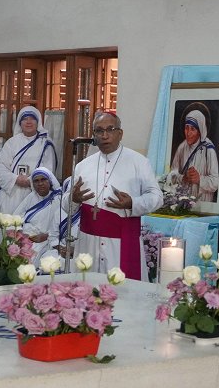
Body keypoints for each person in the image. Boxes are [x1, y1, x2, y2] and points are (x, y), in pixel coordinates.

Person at [63, 111, 163, 280]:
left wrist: (132, 202)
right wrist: (73, 199)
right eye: (99, 131)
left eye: (110, 129)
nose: (105, 135)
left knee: (123, 293)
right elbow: (66, 207)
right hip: (88, 243)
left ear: (120, 133)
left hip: (121, 242)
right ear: (94, 134)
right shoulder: (83, 166)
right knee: (86, 291)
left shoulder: (138, 162)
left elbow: (157, 198)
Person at [0, 106, 57, 215]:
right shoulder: (11, 142)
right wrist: (16, 179)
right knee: (7, 227)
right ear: (20, 123)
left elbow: (49, 170)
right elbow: (1, 167)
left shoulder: (46, 144)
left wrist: (31, 181)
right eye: (25, 119)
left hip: (35, 193)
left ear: (38, 122)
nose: (28, 122)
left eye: (32, 118)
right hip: (12, 193)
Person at [12, 167, 61, 266]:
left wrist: (47, 236)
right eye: (36, 181)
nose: (40, 183)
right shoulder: (31, 197)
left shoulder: (58, 199)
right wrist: (22, 235)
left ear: (50, 181)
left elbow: (63, 224)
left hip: (49, 241)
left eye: (43, 179)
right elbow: (15, 218)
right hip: (28, 239)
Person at [170, 105, 219, 202]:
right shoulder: (182, 147)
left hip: (204, 206)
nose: (188, 133)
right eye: (186, 128)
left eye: (193, 129)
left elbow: (215, 182)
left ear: (200, 130)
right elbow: (171, 175)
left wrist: (199, 179)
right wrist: (183, 178)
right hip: (182, 204)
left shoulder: (209, 150)